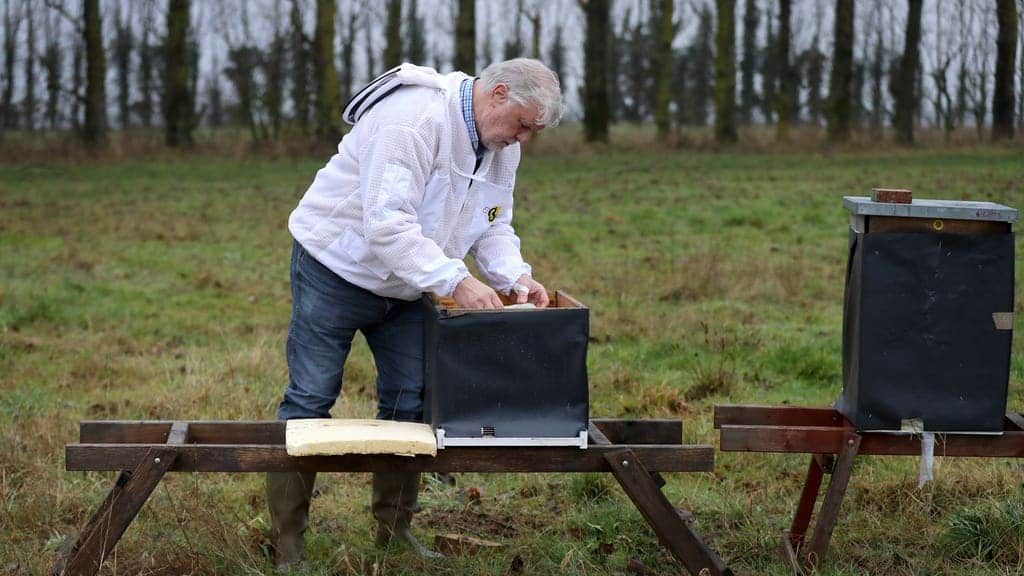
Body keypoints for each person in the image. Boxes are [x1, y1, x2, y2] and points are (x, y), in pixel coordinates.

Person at [267, 58, 563, 568]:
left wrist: (515, 276)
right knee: (311, 396)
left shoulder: (499, 148)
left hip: (407, 284)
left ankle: (393, 532)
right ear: (495, 94)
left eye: (532, 131)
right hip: (334, 266)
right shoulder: (413, 120)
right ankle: (287, 541)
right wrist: (455, 281)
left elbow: (491, 224)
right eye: (521, 125)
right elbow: (386, 226)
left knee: (411, 401)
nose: (523, 140)